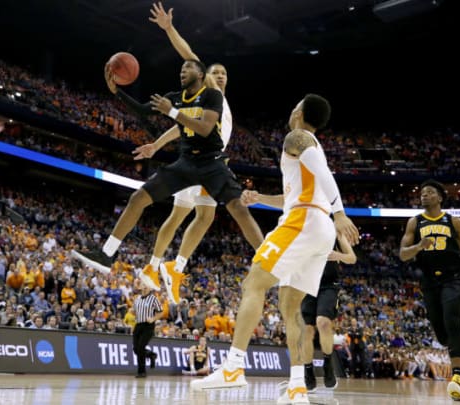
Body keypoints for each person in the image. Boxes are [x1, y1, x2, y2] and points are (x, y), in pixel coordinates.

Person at [190, 95, 359, 405]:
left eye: (295, 104)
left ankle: (233, 367)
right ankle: (297, 387)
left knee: (253, 283)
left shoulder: (297, 137)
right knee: (290, 308)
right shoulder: (309, 148)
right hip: (317, 226)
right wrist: (260, 199)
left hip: (304, 222)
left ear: (300, 112)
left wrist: (340, 213)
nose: (291, 107)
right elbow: (294, 195)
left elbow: (324, 174)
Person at [71, 58, 263, 282]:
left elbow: (204, 128)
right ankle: (106, 254)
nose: (183, 71)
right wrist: (117, 92)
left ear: (201, 75)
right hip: (187, 163)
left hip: (212, 163)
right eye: (181, 68)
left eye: (188, 68)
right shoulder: (177, 98)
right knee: (138, 198)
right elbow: (144, 111)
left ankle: (267, 262)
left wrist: (172, 112)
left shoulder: (213, 96)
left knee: (232, 210)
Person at [133, 3, 239, 305]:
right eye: (214, 72)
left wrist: (156, 145)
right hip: (197, 161)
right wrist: (169, 28)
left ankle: (170, 267)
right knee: (185, 214)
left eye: (223, 73)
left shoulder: (217, 103)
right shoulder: (205, 92)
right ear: (206, 76)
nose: (218, 75)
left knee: (203, 215)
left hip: (211, 161)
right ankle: (156, 266)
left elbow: (183, 126)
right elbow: (189, 54)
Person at [399, 179, 460, 402]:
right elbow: (403, 254)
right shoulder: (414, 222)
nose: (424, 196)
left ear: (439, 197)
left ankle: (457, 378)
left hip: (453, 278)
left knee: (451, 318)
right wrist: (418, 246)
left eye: (429, 193)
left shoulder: (453, 221)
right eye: (422, 193)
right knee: (442, 334)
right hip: (429, 281)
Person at [301, 233, 356, 391]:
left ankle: (328, 366)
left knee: (323, 322)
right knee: (307, 330)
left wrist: (339, 255)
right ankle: (308, 370)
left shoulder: (335, 232)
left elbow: (352, 258)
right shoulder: (303, 229)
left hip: (329, 285)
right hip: (307, 284)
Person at [132, 283, 163, 378]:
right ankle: (151, 355)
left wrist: (153, 319)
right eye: (143, 286)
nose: (145, 287)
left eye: (147, 286)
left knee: (141, 347)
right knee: (136, 349)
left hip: (148, 326)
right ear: (140, 287)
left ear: (150, 288)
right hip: (138, 325)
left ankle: (141, 372)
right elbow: (134, 311)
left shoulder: (153, 298)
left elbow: (160, 312)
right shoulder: (137, 299)